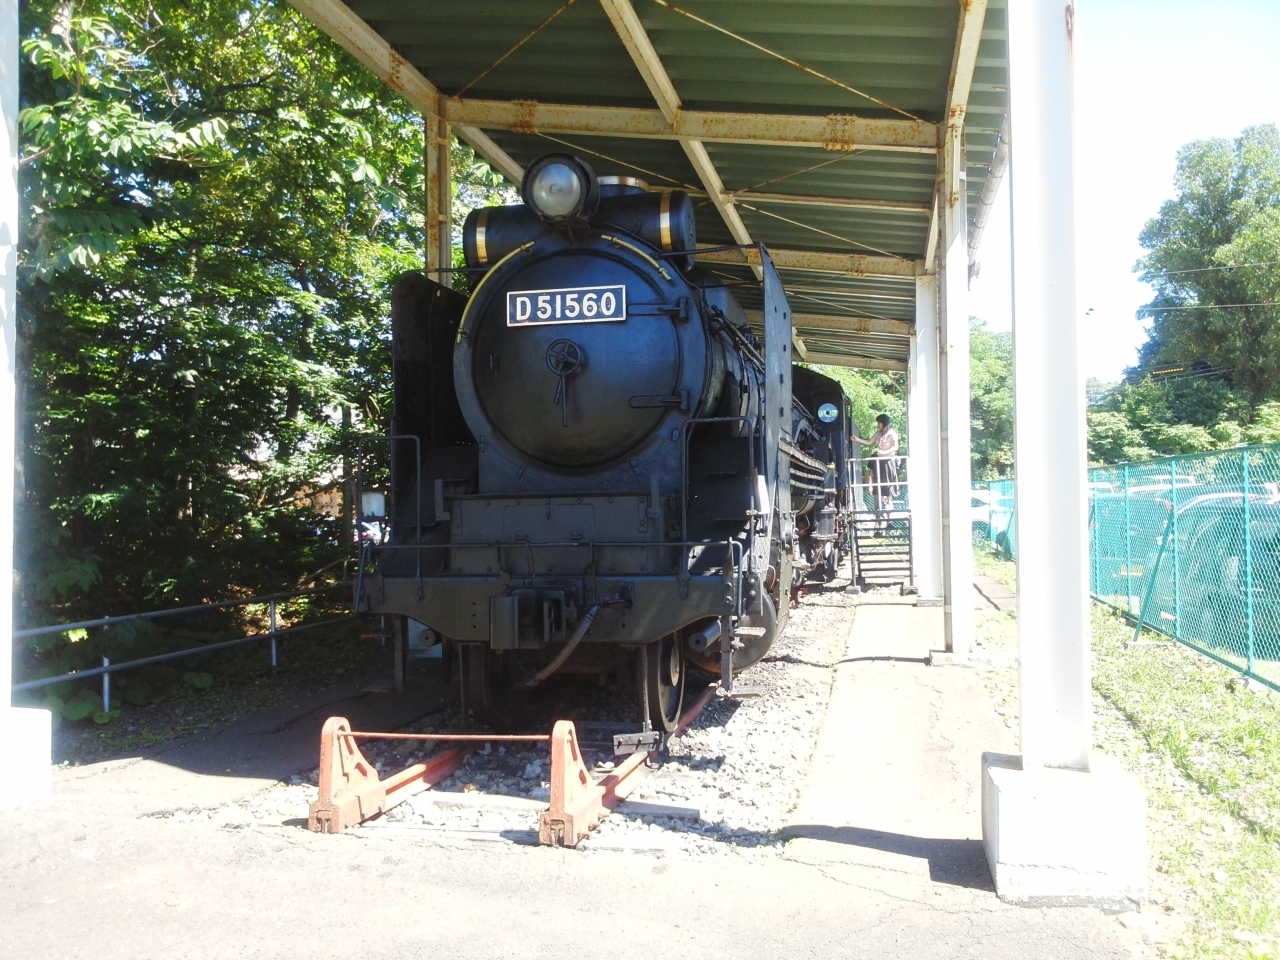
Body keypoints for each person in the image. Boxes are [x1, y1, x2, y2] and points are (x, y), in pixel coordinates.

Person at [851, 414, 900, 512]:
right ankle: (881, 503)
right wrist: (857, 439)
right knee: (878, 480)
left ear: (884, 423)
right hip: (879, 460)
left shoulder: (892, 433)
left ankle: (889, 502)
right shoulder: (878, 433)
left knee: (888, 481)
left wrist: (884, 452)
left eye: (879, 423)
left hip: (889, 460)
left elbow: (896, 447)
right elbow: (869, 442)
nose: (878, 424)